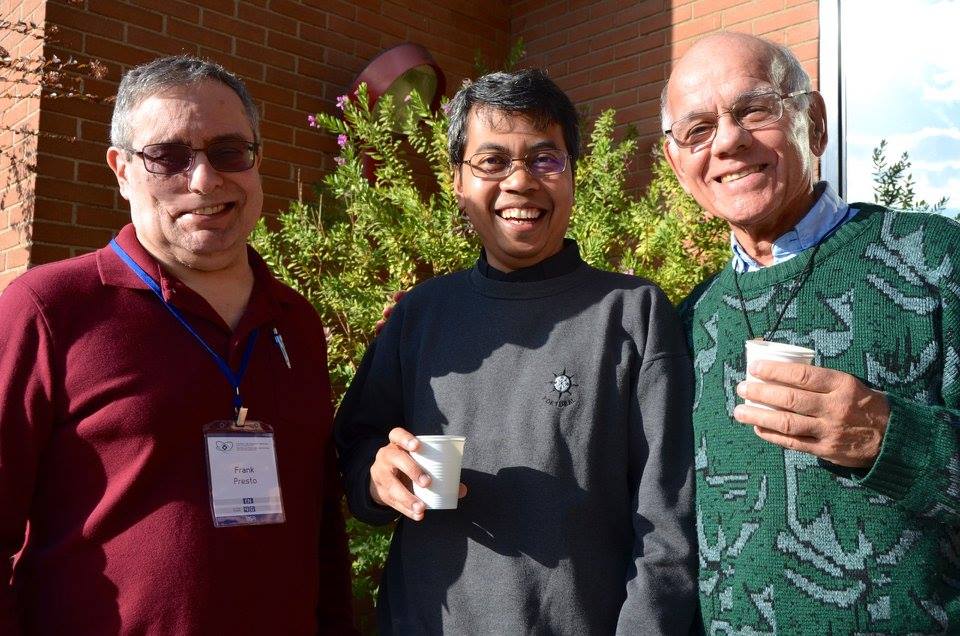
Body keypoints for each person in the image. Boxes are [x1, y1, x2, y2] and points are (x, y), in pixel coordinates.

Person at [335, 69, 698, 635]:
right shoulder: (420, 315)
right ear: (458, 181)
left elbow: (668, 520)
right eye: (492, 161)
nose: (520, 181)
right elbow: (355, 451)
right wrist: (377, 478)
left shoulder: (632, 314)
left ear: (573, 175)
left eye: (545, 159)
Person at [0, 56, 355, 634]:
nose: (204, 180)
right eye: (168, 156)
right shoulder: (48, 309)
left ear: (256, 160)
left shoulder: (296, 322)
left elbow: (321, 527)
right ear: (121, 170)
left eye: (228, 151)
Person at [663, 32, 960, 633]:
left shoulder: (936, 260)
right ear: (677, 164)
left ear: (814, 123)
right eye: (698, 130)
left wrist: (890, 438)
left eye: (754, 110)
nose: (728, 142)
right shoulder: (690, 320)